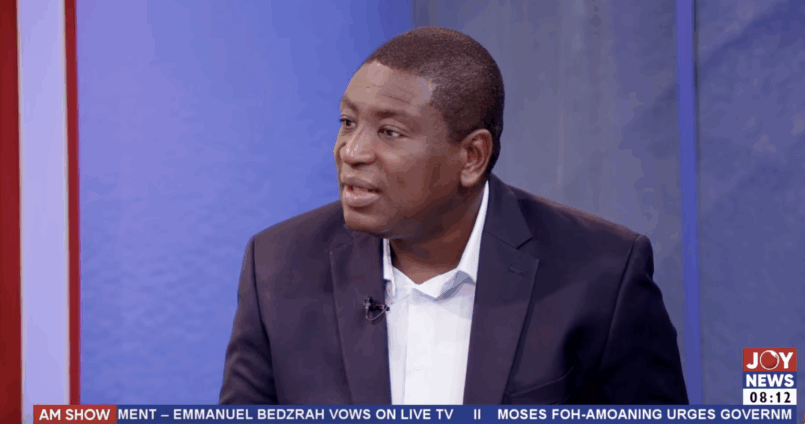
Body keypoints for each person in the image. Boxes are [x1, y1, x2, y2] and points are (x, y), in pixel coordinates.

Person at [219, 27, 689, 405]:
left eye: (389, 131)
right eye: (348, 122)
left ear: (471, 157)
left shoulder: (602, 273)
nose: (352, 151)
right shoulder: (277, 264)